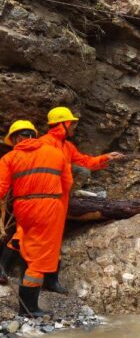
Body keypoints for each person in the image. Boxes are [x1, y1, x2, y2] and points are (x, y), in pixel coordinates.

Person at [0, 107, 124, 291]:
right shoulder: (44, 144)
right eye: (71, 123)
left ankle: (50, 281)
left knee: (52, 241)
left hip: (54, 202)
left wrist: (106, 158)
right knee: (23, 237)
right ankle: (8, 271)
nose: (74, 126)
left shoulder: (67, 146)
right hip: (42, 201)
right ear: (63, 124)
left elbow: (85, 161)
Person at [0, 120, 72, 316]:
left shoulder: (9, 158)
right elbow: (67, 183)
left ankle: (26, 299)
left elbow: (1, 189)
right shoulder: (56, 153)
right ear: (32, 134)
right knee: (39, 261)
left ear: (17, 138)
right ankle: (28, 308)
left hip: (23, 208)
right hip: (49, 207)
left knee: (28, 245)